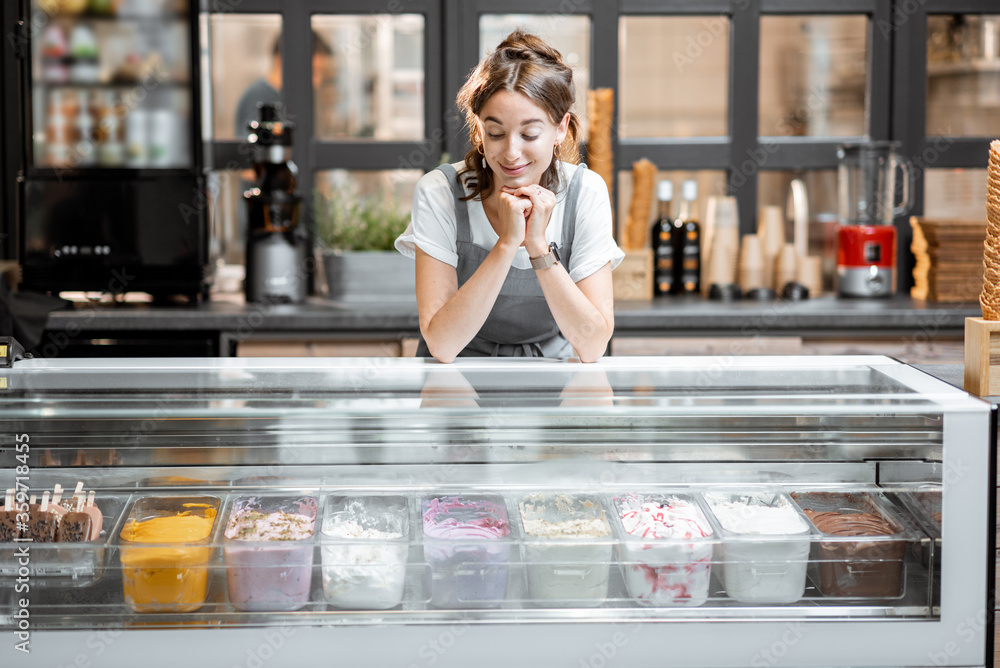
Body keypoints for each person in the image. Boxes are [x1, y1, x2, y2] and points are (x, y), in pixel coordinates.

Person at [395, 30, 624, 363]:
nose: (511, 153)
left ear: (561, 128)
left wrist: (537, 246)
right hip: (458, 373)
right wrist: (507, 243)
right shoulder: (440, 192)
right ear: (478, 130)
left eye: (530, 133)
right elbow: (442, 345)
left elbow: (591, 346)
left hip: (552, 373)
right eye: (496, 133)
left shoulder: (585, 192)